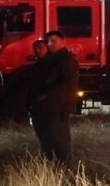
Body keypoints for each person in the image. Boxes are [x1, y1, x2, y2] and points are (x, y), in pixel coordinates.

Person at [28, 30, 80, 163]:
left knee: (59, 142)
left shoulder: (67, 60)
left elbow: (65, 84)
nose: (50, 44)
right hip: (42, 107)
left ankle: (64, 169)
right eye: (48, 42)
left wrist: (44, 95)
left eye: (54, 41)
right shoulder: (46, 61)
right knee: (46, 141)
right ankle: (51, 167)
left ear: (63, 42)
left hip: (57, 107)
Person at [0, 38, 47, 125]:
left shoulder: (49, 66)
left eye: (40, 48)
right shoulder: (32, 68)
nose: (37, 51)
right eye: (35, 48)